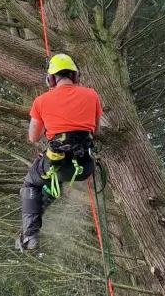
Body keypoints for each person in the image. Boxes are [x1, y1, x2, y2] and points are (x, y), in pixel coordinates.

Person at [16, 53, 103, 251]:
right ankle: (40, 208)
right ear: (75, 76)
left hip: (58, 164)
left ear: (51, 79)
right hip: (85, 166)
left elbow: (33, 137)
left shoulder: (41, 101)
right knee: (50, 186)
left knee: (32, 182)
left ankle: (30, 235)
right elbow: (95, 131)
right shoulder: (92, 95)